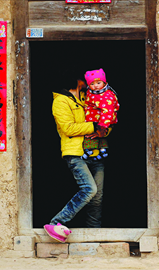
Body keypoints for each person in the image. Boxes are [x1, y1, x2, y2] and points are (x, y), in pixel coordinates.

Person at [44, 71, 107, 242]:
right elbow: (68, 128)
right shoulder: (60, 101)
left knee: (97, 197)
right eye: (85, 79)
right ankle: (57, 223)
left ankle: (94, 235)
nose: (90, 82)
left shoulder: (85, 98)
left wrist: (104, 127)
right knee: (89, 189)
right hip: (75, 152)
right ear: (77, 80)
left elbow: (104, 114)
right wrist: (94, 126)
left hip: (94, 151)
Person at [81, 68, 119, 161]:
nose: (96, 86)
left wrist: (102, 125)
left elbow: (108, 111)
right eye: (92, 84)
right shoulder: (92, 92)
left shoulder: (106, 95)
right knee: (97, 136)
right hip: (95, 119)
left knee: (93, 135)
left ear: (104, 83)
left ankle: (90, 151)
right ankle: (101, 150)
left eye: (99, 83)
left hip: (102, 121)